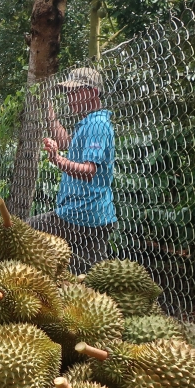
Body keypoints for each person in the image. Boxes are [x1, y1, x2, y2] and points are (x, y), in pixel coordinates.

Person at [29, 67, 116, 275]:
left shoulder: (99, 125)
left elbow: (89, 171)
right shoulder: (88, 123)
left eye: (74, 92)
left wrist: (57, 159)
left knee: (20, 233)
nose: (69, 97)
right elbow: (66, 142)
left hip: (80, 213)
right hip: (96, 215)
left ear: (93, 92)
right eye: (68, 92)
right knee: (87, 277)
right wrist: (49, 110)